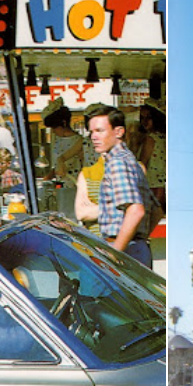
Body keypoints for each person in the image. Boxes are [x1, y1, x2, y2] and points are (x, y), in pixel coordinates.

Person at [85, 105, 156, 267]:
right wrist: (139, 238)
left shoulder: (117, 163)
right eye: (91, 132)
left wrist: (114, 252)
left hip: (123, 251)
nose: (93, 137)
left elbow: (136, 211)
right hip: (135, 248)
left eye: (100, 131)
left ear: (119, 132)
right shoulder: (132, 162)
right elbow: (156, 210)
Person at [134, 99, 166, 210]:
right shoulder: (163, 136)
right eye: (142, 118)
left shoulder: (150, 138)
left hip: (153, 186)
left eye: (148, 118)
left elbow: (143, 163)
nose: (144, 122)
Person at [73, 156, 105, 237]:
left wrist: (96, 209)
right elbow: (81, 213)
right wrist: (119, 207)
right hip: (97, 244)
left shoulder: (136, 168)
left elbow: (135, 211)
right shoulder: (87, 173)